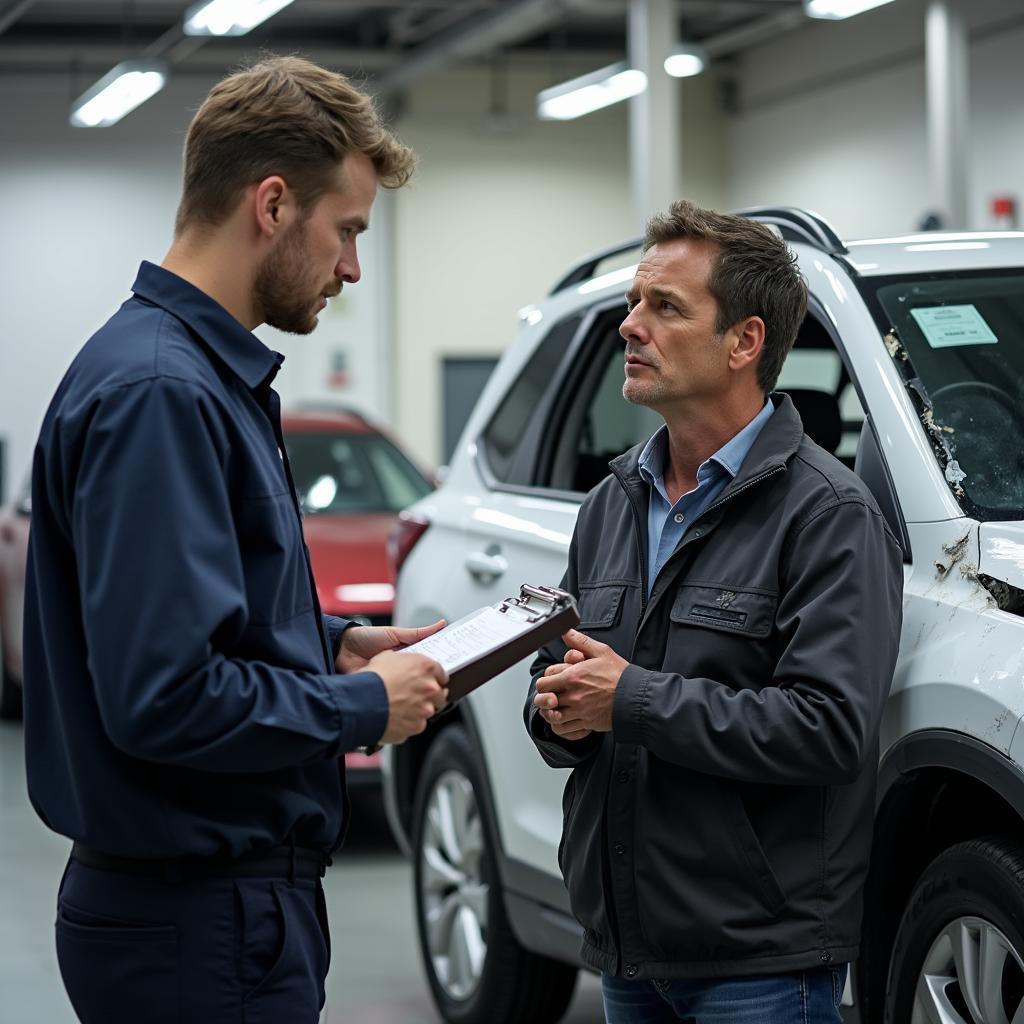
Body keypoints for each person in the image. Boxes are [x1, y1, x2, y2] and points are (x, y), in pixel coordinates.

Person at [23, 56, 448, 1024]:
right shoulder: (164, 393)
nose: (350, 266)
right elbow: (165, 697)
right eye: (345, 230)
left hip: (214, 910)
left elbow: (200, 619)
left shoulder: (192, 377)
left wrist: (333, 642)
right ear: (270, 203)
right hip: (195, 921)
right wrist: (357, 706)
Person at [525, 200, 903, 1024]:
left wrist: (629, 701)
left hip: (758, 961)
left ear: (745, 342)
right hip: (629, 946)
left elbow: (831, 727)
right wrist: (556, 710)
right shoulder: (611, 504)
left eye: (665, 307)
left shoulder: (827, 516)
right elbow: (563, 675)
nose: (631, 326)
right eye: (634, 303)